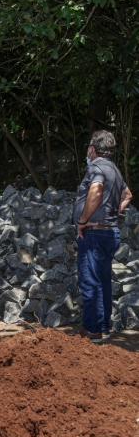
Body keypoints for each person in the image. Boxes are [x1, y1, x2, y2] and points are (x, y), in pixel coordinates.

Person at [73, 130, 133, 343]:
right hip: (109, 233)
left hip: (95, 234)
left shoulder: (97, 167)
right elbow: (128, 195)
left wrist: (83, 220)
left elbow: (96, 191)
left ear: (92, 149)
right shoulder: (114, 170)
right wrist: (111, 213)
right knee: (102, 282)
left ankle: (93, 332)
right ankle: (104, 328)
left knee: (90, 281)